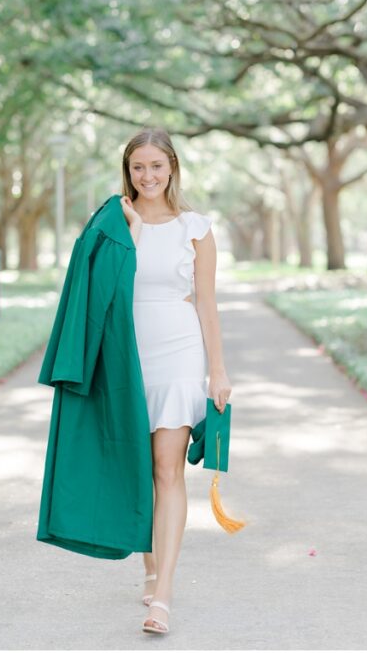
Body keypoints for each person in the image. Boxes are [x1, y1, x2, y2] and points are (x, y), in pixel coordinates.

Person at [117, 127, 232, 635]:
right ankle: (147, 561)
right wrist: (133, 229)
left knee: (168, 470)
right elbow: (103, 285)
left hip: (179, 351)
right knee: (137, 467)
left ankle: (162, 594)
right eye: (138, 167)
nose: (148, 176)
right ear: (129, 170)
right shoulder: (115, 221)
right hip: (127, 352)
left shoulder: (196, 227)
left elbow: (206, 302)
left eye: (156, 167)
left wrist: (218, 371)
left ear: (172, 169)